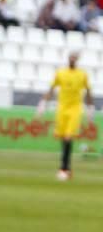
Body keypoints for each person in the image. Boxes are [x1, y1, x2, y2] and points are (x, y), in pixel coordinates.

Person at [37, 52, 94, 181]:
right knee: (63, 138)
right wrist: (42, 103)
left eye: (75, 58)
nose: (72, 60)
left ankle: (64, 168)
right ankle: (67, 168)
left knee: (68, 137)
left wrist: (90, 108)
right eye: (71, 57)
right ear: (68, 59)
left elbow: (88, 91)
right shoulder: (60, 73)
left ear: (77, 60)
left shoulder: (82, 74)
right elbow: (51, 89)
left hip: (75, 109)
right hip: (62, 109)